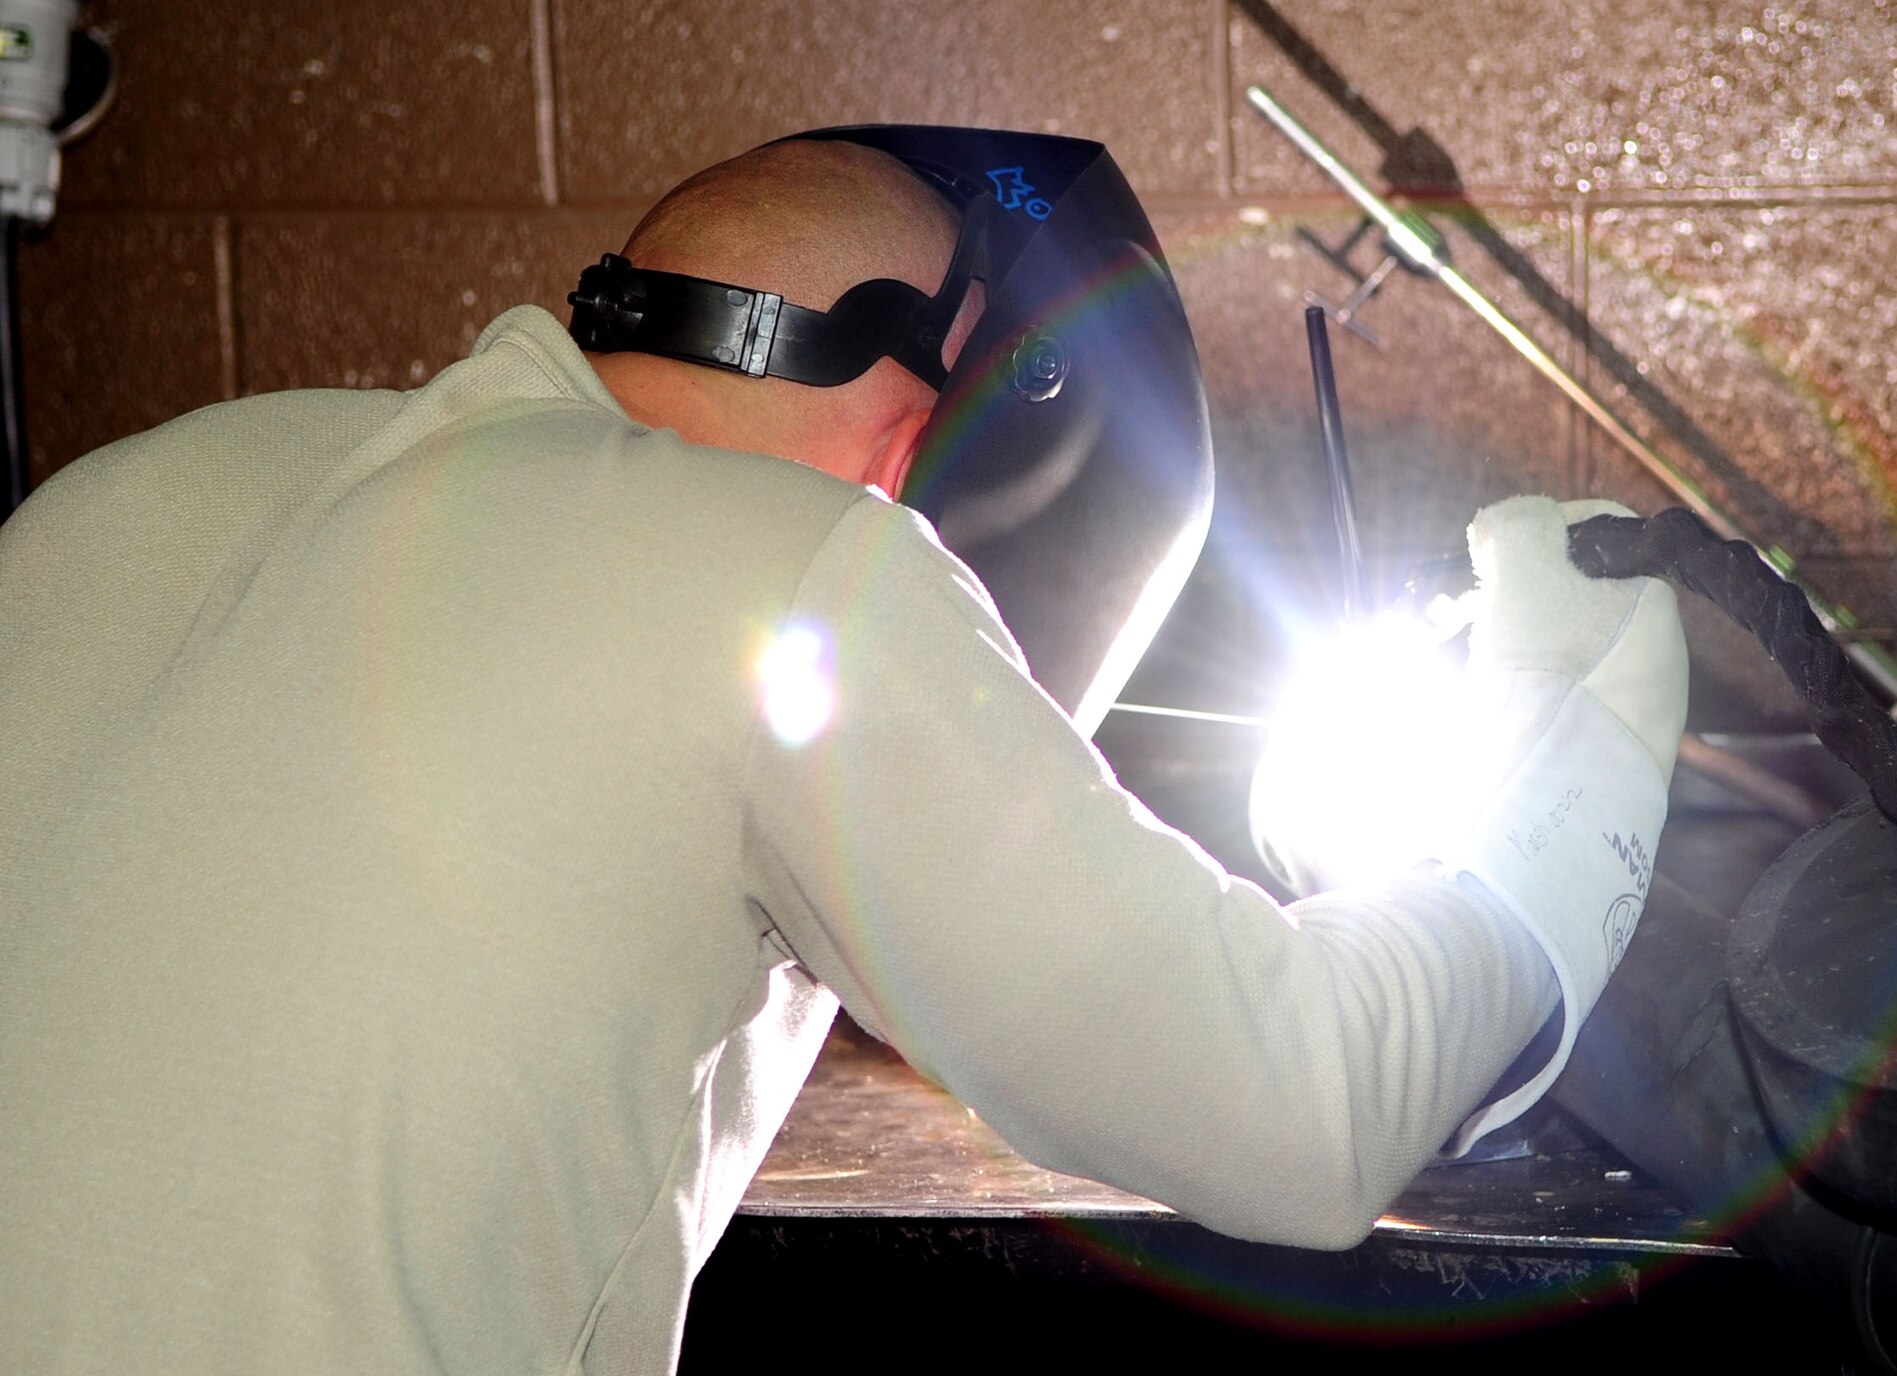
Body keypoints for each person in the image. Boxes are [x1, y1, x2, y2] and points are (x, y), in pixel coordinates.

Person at [0, 137, 1686, 1374]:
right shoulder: (792, 571)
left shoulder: (114, 494)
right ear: (918, 442)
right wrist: (1578, 736)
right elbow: (1306, 1114)